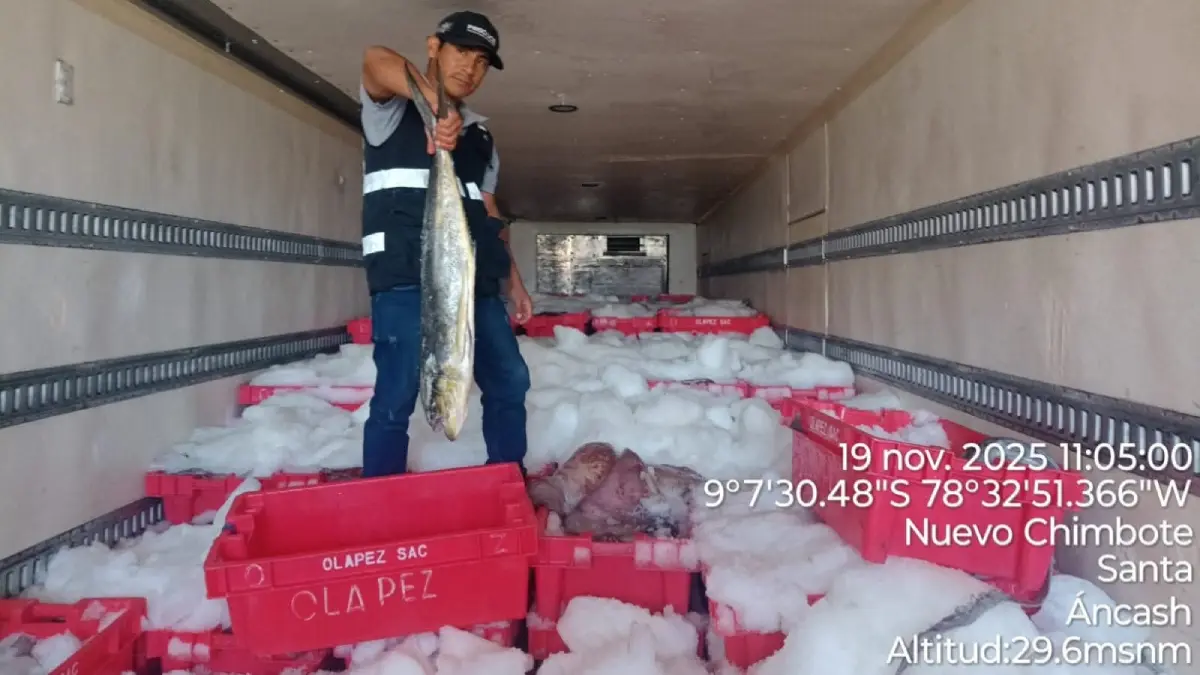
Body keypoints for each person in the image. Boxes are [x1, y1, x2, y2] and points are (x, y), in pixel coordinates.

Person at [358, 11, 534, 477]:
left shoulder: (481, 138)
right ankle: (380, 497)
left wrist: (513, 281)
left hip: (472, 280)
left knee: (511, 380)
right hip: (403, 277)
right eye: (461, 53)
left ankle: (506, 480)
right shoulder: (390, 110)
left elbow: (488, 211)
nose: (470, 69)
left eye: (481, 62)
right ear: (434, 47)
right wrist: (437, 106)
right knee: (395, 394)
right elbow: (375, 61)